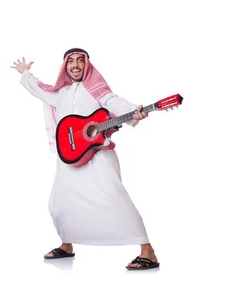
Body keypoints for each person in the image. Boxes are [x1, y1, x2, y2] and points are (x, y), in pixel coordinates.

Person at [12, 48, 159, 270]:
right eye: (70, 61)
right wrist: (25, 73)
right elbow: (39, 89)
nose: (75, 65)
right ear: (65, 67)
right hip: (69, 157)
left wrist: (134, 110)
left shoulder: (97, 90)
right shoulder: (59, 93)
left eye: (80, 60)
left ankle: (148, 252)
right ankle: (67, 245)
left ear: (87, 65)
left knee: (114, 198)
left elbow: (114, 101)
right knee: (60, 204)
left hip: (97, 155)